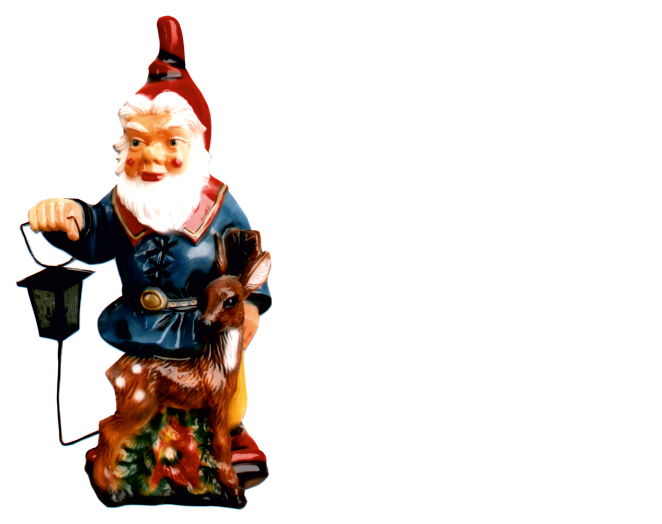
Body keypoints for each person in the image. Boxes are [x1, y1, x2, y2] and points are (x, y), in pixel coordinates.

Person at [27, 16, 270, 488]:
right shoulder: (124, 202)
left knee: (226, 393)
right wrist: (70, 218)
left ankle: (226, 440)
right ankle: (133, 449)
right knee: (140, 401)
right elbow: (94, 235)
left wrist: (253, 306)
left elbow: (249, 263)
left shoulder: (219, 206)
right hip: (141, 326)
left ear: (197, 145)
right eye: (138, 142)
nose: (152, 158)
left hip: (202, 329)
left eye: (170, 142)